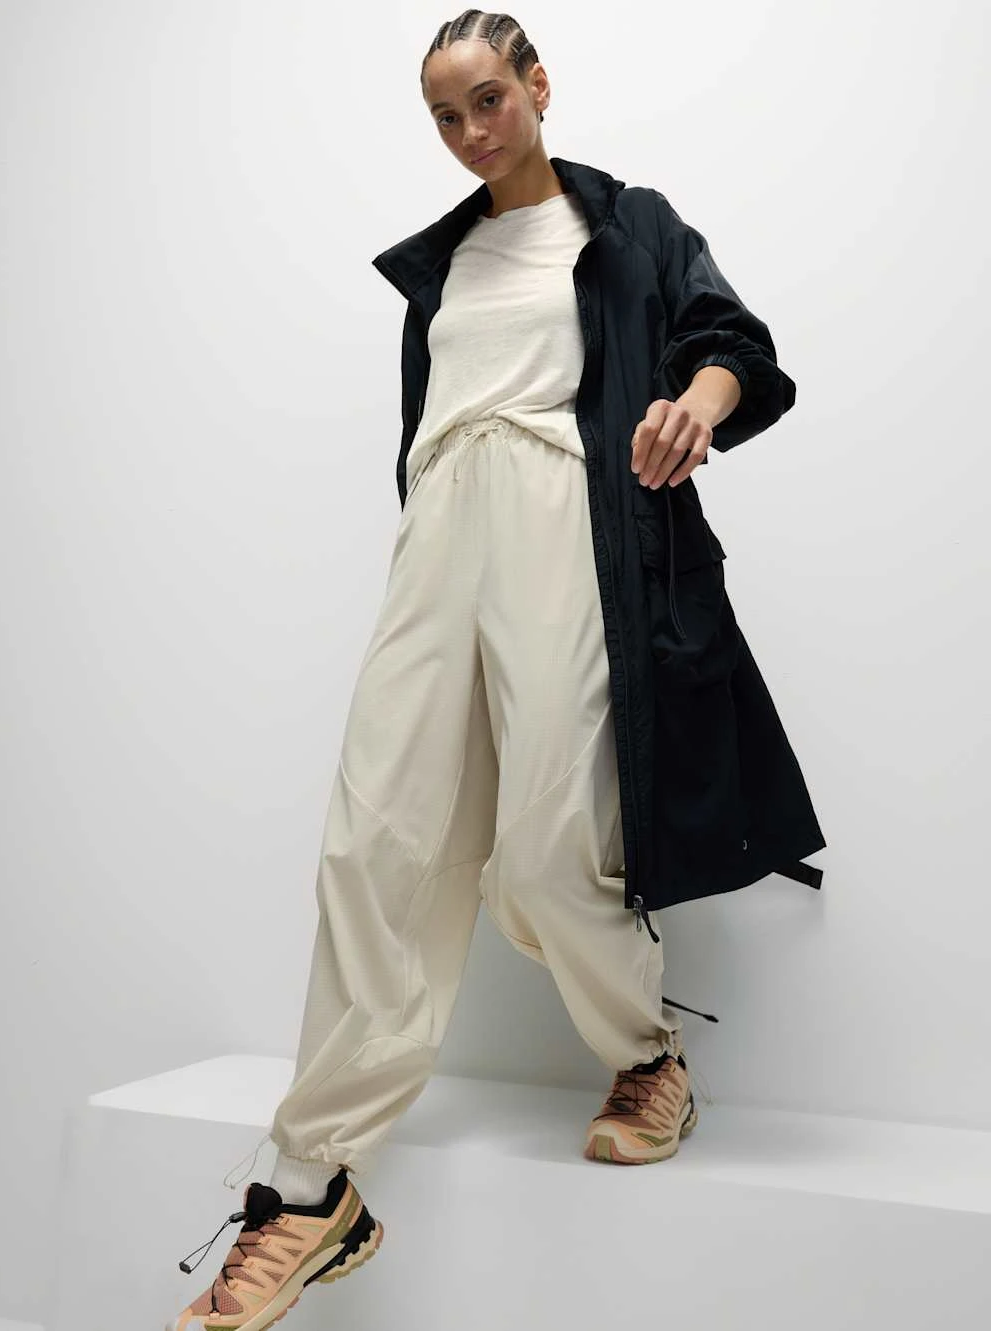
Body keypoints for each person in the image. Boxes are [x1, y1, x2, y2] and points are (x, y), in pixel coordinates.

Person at [168, 9, 825, 1328]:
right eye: (445, 115)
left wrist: (695, 404)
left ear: (537, 86)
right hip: (438, 535)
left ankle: (647, 1053)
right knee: (375, 848)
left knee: (546, 851)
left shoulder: (626, 225)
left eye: (489, 99)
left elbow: (737, 346)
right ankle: (307, 1185)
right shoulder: (443, 267)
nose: (471, 131)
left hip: (564, 522)